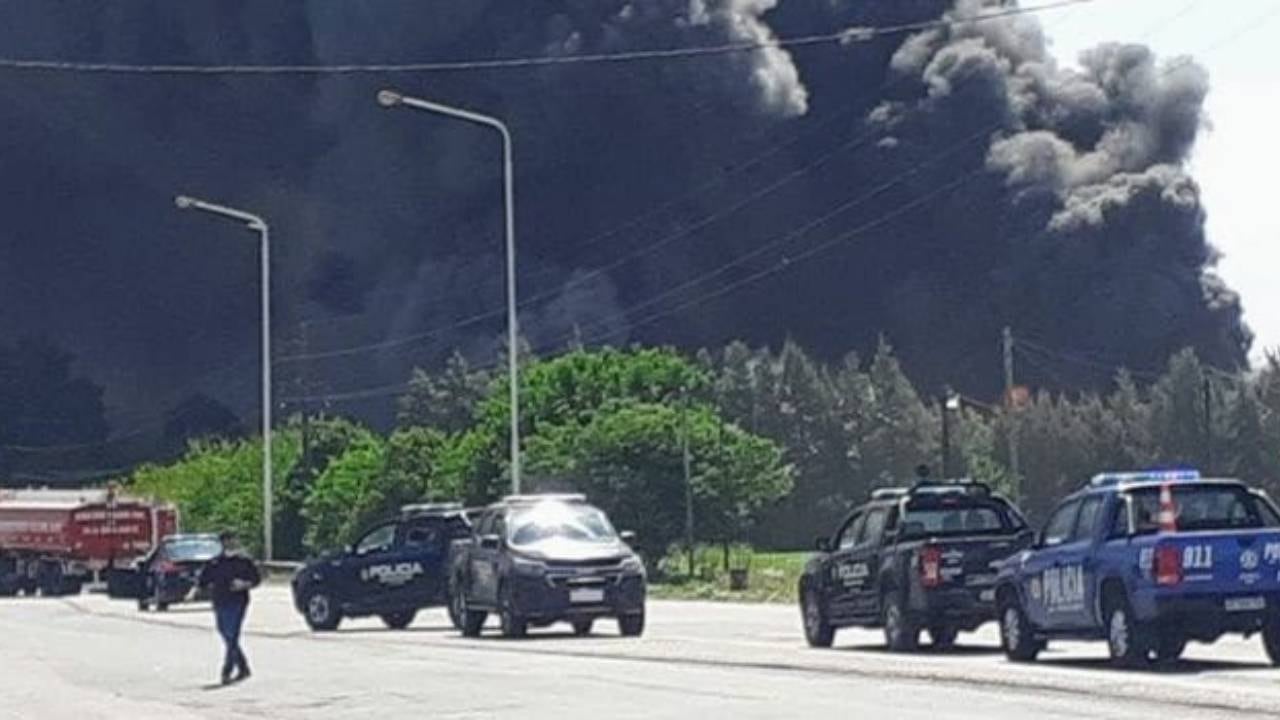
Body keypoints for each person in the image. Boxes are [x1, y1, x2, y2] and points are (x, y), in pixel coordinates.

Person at [196, 531, 261, 685]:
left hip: (238, 601)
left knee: (232, 634)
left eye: (231, 540)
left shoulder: (244, 561)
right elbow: (203, 581)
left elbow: (256, 579)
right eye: (225, 541)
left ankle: (227, 670)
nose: (229, 543)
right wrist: (198, 590)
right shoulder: (215, 563)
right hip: (220, 601)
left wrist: (244, 584)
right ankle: (243, 666)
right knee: (224, 632)